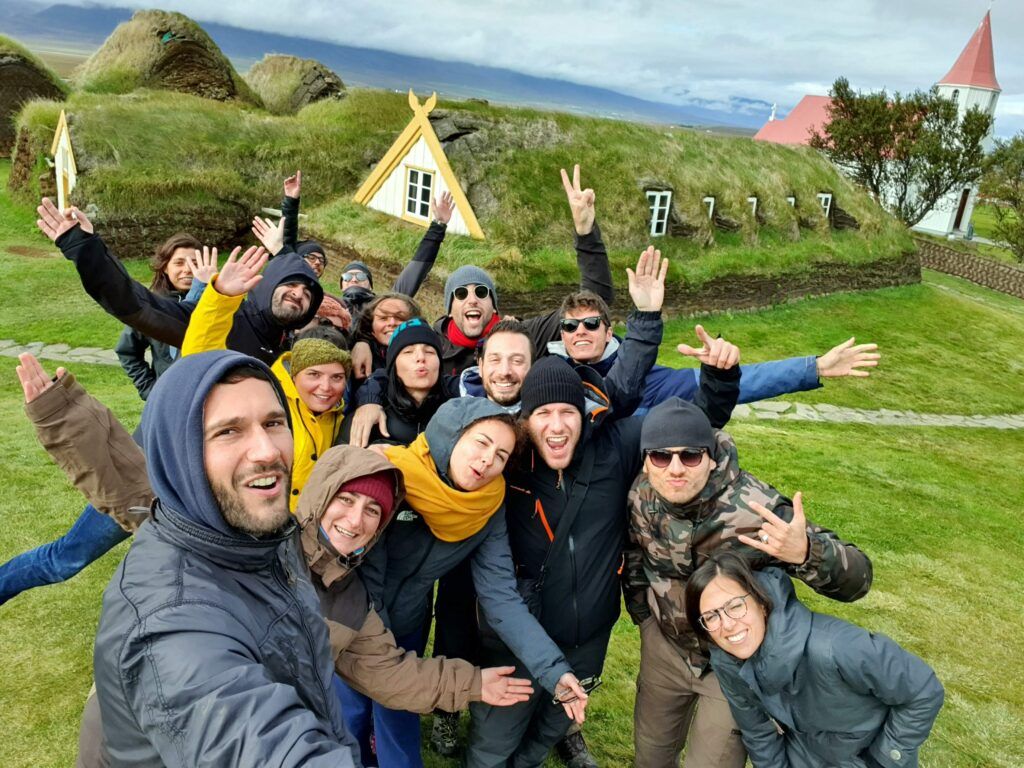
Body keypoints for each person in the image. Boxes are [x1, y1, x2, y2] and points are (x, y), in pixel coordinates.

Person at [464, 246, 722, 768]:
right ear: (525, 422)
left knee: (548, 730)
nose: (557, 426)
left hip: (590, 632)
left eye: (567, 412)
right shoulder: (506, 466)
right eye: (543, 414)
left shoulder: (617, 445)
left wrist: (718, 378)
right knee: (495, 741)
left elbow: (688, 427)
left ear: (587, 416)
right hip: (522, 632)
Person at [87, 349, 365, 765]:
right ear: (179, 453)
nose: (266, 451)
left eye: (274, 423)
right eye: (228, 432)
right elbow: (254, 743)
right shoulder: (173, 625)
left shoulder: (259, 536)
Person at [339, 397, 590, 768]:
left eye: (502, 455)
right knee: (349, 716)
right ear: (451, 436)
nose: (489, 460)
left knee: (397, 718)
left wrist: (553, 670)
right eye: (481, 443)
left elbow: (501, 597)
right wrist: (383, 660)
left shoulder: (487, 509)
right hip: (350, 619)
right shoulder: (389, 475)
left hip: (405, 626)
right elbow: (365, 578)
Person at [623, 397, 873, 768]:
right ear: (646, 460)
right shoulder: (640, 496)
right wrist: (644, 618)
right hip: (665, 650)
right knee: (650, 757)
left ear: (709, 457)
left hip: (734, 663)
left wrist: (805, 552)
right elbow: (634, 555)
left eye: (690, 455)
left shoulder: (757, 508)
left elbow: (859, 579)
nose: (675, 468)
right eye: (661, 456)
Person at [349, 164, 613, 380]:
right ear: (449, 309)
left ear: (494, 306)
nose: (472, 299)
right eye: (461, 294)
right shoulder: (430, 346)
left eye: (482, 292)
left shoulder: (523, 336)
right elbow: (384, 318)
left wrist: (585, 233)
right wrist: (361, 341)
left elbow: (594, 304)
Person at [686, 552, 943, 768]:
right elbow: (756, 730)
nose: (728, 625)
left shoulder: (838, 647)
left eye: (735, 606)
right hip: (804, 756)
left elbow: (923, 691)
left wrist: (886, 757)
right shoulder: (728, 661)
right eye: (711, 617)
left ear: (761, 603)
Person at [36, 198, 323, 365]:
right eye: (291, 285)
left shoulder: (288, 346)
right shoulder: (214, 318)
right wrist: (85, 250)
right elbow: (134, 304)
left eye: (308, 294)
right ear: (268, 284)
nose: (298, 294)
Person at [180, 246, 351, 509]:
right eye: (314, 374)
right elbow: (199, 357)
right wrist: (222, 295)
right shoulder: (272, 399)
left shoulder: (340, 416)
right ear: (295, 375)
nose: (325, 386)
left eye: (337, 377)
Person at [547, 289, 881, 413]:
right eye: (571, 326)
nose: (580, 332)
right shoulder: (548, 373)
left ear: (608, 331)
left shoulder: (647, 379)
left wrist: (814, 368)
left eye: (591, 324)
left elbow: (742, 383)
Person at [114, 233, 202, 400]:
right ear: (165, 267)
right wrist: (149, 389)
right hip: (168, 400)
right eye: (179, 263)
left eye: (195, 263)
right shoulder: (151, 308)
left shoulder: (217, 304)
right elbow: (126, 351)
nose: (188, 269)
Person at [341, 318, 447, 446]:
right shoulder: (366, 417)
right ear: (393, 365)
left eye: (429, 352)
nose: (421, 358)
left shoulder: (457, 412)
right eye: (408, 352)